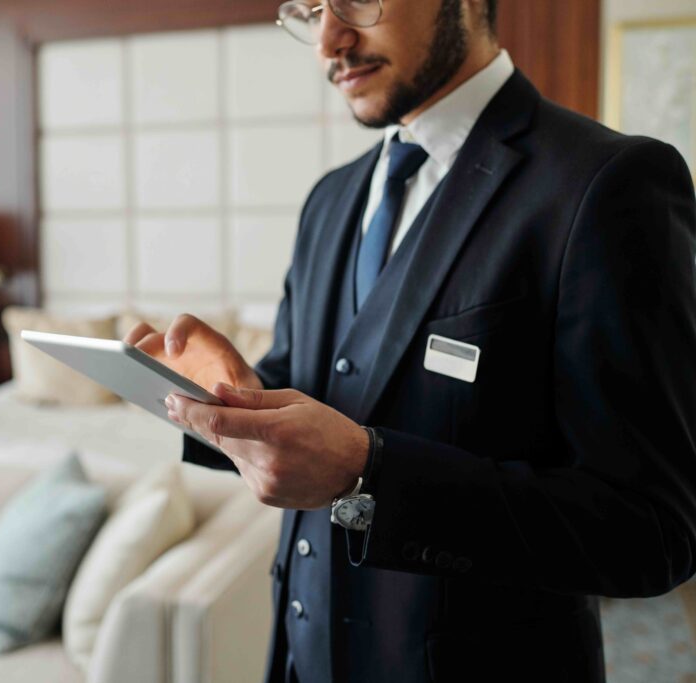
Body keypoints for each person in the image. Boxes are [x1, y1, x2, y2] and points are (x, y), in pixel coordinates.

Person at [124, 0, 696, 681]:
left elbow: (651, 529)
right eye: (309, 10)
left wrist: (368, 473)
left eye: (356, 1)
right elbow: (324, 386)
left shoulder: (606, 185)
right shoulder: (330, 201)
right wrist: (225, 393)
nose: (329, 40)